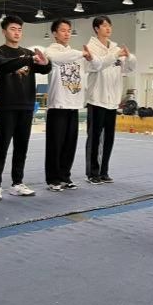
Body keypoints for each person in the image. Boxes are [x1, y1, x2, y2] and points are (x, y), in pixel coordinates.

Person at [0, 15, 51, 202]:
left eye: (19, 29)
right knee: (2, 146)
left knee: (21, 147)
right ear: (4, 31)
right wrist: (28, 58)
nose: (17, 33)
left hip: (26, 105)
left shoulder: (27, 53)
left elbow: (44, 69)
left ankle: (17, 183)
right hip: (7, 105)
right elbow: (5, 66)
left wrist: (45, 62)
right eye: (13, 29)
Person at [44, 19, 99, 192]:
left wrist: (91, 57)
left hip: (73, 105)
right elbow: (58, 58)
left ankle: (65, 176)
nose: (67, 33)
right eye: (63, 30)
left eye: (69, 30)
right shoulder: (51, 50)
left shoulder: (76, 55)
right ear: (55, 33)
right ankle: (53, 179)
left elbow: (96, 66)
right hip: (58, 105)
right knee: (55, 145)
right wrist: (82, 53)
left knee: (70, 144)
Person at [85, 16, 136, 184]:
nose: (108, 28)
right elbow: (97, 65)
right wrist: (115, 55)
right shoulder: (90, 48)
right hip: (97, 99)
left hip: (112, 101)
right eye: (104, 26)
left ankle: (104, 171)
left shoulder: (116, 48)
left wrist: (129, 57)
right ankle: (92, 173)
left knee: (109, 138)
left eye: (110, 25)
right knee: (94, 138)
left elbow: (129, 69)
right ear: (96, 29)